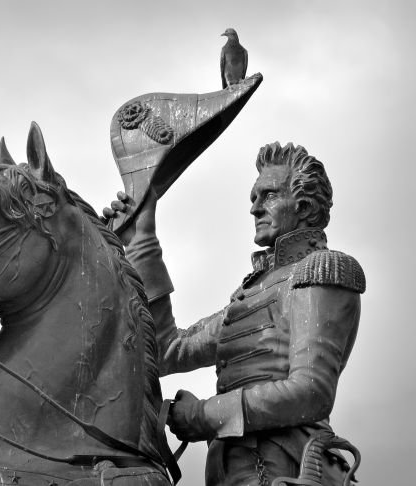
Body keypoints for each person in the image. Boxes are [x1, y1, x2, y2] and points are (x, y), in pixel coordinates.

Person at [103, 142, 365, 485]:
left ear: (302, 205)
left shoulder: (321, 271)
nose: (254, 209)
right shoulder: (251, 292)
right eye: (254, 199)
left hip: (283, 468)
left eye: (268, 195)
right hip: (229, 470)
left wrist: (203, 414)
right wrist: (140, 238)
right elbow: (166, 350)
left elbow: (311, 391)